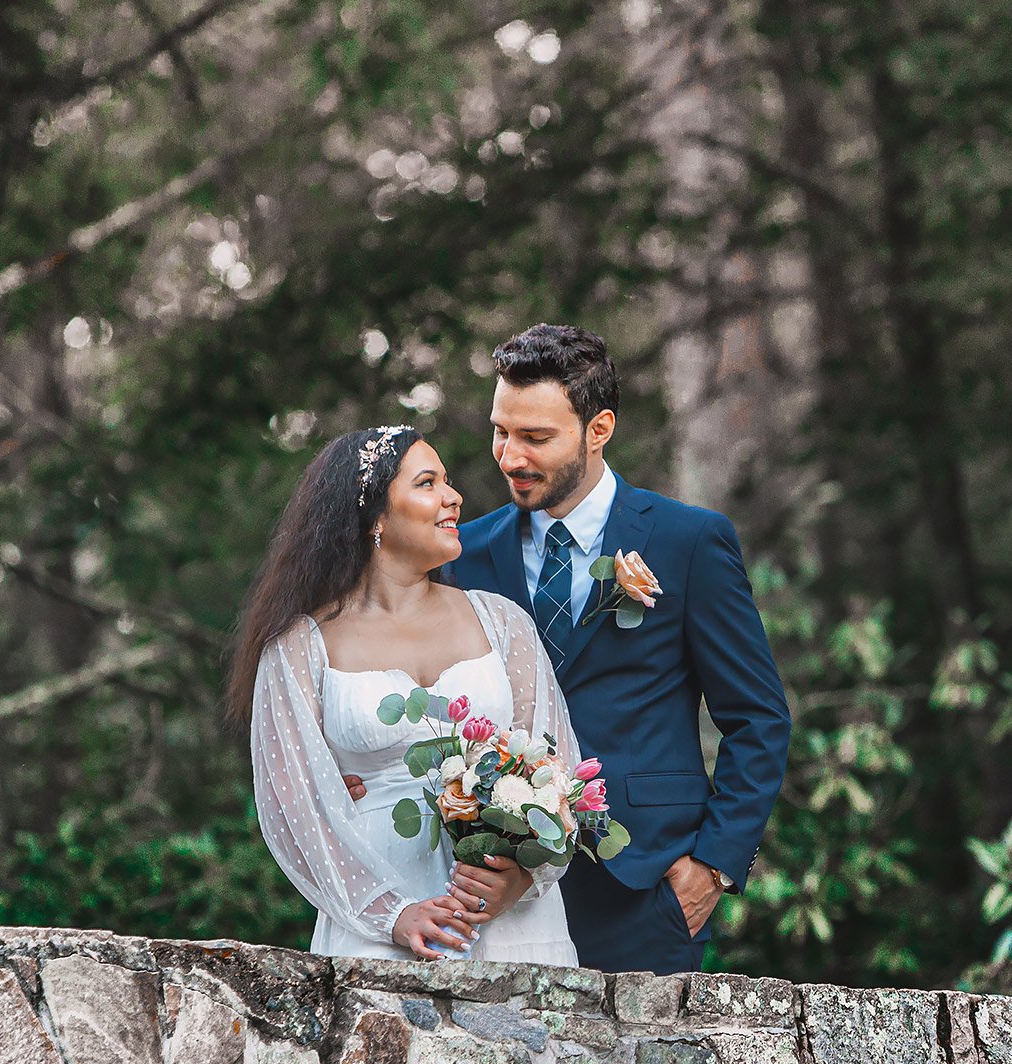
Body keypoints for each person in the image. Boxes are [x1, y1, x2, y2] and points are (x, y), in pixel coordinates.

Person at [354, 324, 791, 975]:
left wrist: (714, 869)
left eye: (536, 437)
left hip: (641, 892)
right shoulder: (459, 555)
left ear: (599, 428)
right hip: (489, 895)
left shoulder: (689, 542)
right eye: (501, 431)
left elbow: (758, 718)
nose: (510, 456)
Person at [232, 425, 580, 963]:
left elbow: (557, 766)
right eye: (427, 483)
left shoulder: (502, 623)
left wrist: (522, 876)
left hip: (511, 918)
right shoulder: (300, 647)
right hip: (377, 921)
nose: (454, 497)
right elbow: (294, 809)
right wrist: (390, 913)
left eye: (448, 481)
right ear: (374, 517)